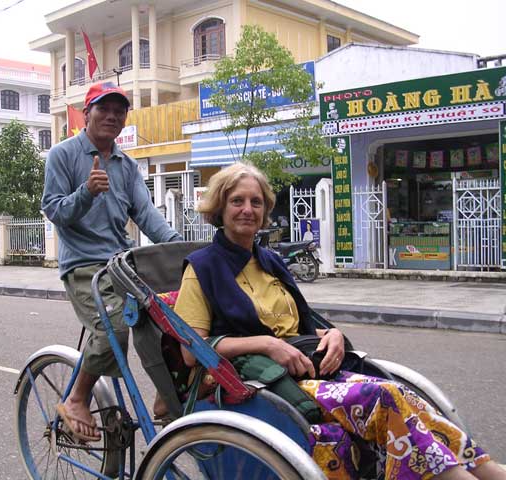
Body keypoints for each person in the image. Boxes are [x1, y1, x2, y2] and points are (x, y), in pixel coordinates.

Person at [173, 163, 504, 480]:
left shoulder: (268, 261)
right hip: (260, 383)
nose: (247, 209)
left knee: (402, 393)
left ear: (264, 211)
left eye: (255, 202)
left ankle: (483, 470)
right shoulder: (202, 268)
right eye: (237, 201)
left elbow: (296, 326)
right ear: (220, 207)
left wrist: (332, 334)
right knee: (384, 398)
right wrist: (267, 345)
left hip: (306, 367)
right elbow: (192, 352)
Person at [42, 82, 181, 442]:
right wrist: (86, 192)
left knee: (177, 314)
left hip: (124, 262)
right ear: (86, 114)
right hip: (84, 265)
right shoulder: (63, 155)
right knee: (116, 327)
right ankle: (77, 398)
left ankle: (168, 395)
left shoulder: (127, 165)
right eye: (103, 109)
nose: (112, 116)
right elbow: (55, 210)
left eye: (119, 111)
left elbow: (148, 215)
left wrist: (180, 249)